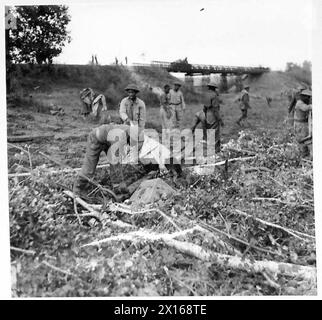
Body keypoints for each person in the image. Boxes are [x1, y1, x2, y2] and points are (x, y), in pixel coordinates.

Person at [73, 124, 180, 195]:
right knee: (89, 169)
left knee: (118, 165)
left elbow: (156, 149)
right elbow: (116, 161)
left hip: (107, 138)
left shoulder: (134, 133)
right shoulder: (121, 137)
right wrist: (118, 185)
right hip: (96, 138)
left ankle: (114, 188)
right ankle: (77, 191)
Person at [191, 82, 224, 152]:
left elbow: (204, 108)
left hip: (207, 114)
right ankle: (215, 149)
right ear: (214, 88)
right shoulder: (214, 96)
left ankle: (209, 146)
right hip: (213, 114)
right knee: (215, 131)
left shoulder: (206, 95)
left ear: (209, 87)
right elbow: (215, 110)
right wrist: (220, 119)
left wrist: (206, 115)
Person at [294, 89, 312, 157]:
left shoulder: (301, 102)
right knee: (304, 139)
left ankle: (304, 154)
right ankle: (304, 154)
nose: (308, 98)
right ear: (304, 96)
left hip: (301, 123)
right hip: (300, 124)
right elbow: (306, 108)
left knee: (303, 138)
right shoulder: (300, 103)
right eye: (308, 97)